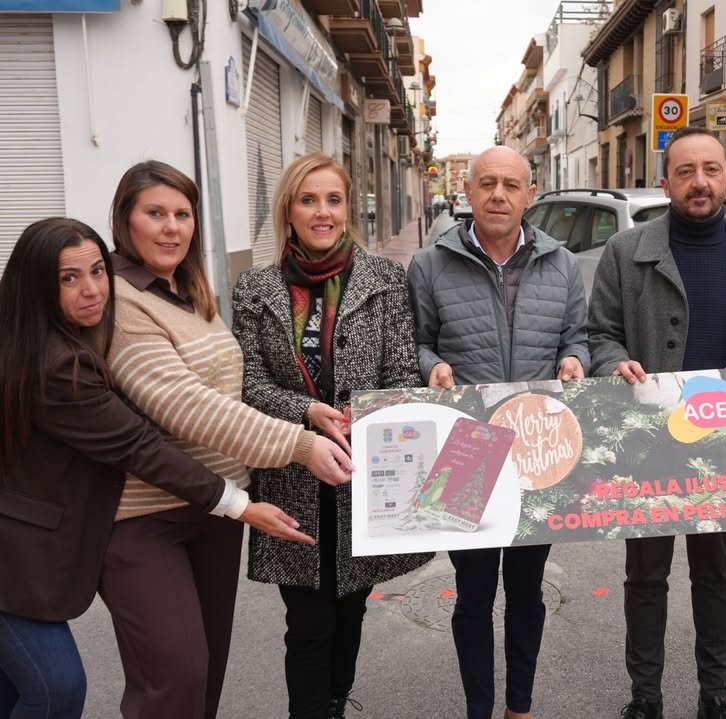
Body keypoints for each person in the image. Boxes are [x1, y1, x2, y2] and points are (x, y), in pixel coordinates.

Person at [0, 218, 312, 719]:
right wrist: (240, 505)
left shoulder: (49, 337)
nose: (93, 290)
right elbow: (138, 445)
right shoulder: (57, 363)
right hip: (20, 561)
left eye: (98, 271)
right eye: (68, 278)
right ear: (36, 284)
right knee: (56, 689)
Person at [97, 161, 354, 719]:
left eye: (183, 214)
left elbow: (232, 388)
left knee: (205, 672)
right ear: (124, 221)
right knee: (174, 675)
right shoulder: (121, 301)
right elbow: (190, 406)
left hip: (215, 510)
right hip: (147, 515)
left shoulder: (189, 293)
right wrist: (301, 441)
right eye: (155, 214)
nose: (171, 227)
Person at [589, 126, 726, 719]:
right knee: (644, 575)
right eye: (684, 171)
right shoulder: (626, 253)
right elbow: (601, 333)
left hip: (724, 439)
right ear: (665, 181)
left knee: (715, 574)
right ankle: (644, 698)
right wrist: (614, 361)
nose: (698, 182)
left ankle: (714, 697)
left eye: (711, 169)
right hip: (648, 437)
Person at [232, 152, 433, 719]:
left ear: (348, 209)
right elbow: (248, 383)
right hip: (290, 477)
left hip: (366, 478)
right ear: (288, 211)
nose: (322, 212)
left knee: (350, 613)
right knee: (309, 622)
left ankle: (335, 703)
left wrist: (364, 415)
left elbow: (400, 375)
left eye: (333, 200)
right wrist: (307, 410)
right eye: (308, 199)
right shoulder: (256, 289)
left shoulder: (385, 281)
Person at [407, 145, 590, 719]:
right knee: (474, 592)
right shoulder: (429, 264)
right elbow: (416, 338)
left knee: (528, 591)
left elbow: (576, 336)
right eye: (487, 183)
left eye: (511, 184)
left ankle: (521, 707)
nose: (498, 195)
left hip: (539, 441)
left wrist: (575, 361)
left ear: (530, 194)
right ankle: (479, 709)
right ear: (468, 191)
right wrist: (428, 365)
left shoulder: (562, 263)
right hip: (467, 444)